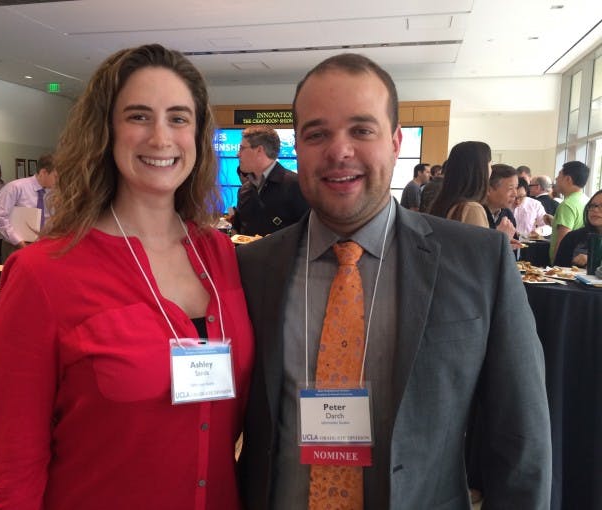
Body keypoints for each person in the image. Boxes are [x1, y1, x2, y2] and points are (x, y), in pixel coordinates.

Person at [236, 53, 551, 509]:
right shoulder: (255, 266)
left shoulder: (479, 261)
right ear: (298, 149)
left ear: (396, 141)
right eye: (317, 133)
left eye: (362, 130)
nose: (339, 150)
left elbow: (521, 440)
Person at [0, 44, 254, 510]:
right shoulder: (43, 273)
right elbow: (13, 464)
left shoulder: (220, 256)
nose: (161, 137)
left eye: (178, 117)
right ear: (105, 132)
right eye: (138, 116)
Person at [231, 125, 308, 235]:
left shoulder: (296, 186)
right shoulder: (244, 190)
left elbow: (308, 234)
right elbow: (238, 230)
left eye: (242, 148)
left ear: (259, 150)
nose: (237, 154)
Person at [0, 153, 57, 262]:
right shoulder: (16, 187)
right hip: (15, 244)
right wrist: (18, 242)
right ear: (44, 172)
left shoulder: (53, 193)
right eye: (56, 176)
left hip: (43, 244)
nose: (58, 181)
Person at [429, 142, 491, 227]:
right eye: (489, 163)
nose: (491, 169)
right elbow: (480, 240)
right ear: (480, 168)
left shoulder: (440, 203)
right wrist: (502, 236)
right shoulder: (472, 208)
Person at [547, 160, 590, 263]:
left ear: (568, 179)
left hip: (564, 266)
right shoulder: (586, 200)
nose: (556, 179)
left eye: (559, 176)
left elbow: (563, 240)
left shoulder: (567, 205)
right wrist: (554, 222)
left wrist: (555, 267)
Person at [553, 189, 602, 267]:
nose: (595, 210)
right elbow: (558, 270)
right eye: (593, 205)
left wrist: (595, 261)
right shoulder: (573, 237)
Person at [484, 163, 520, 247]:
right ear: (489, 190)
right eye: (510, 188)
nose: (515, 194)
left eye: (516, 187)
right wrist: (499, 238)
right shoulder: (476, 212)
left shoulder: (507, 214)